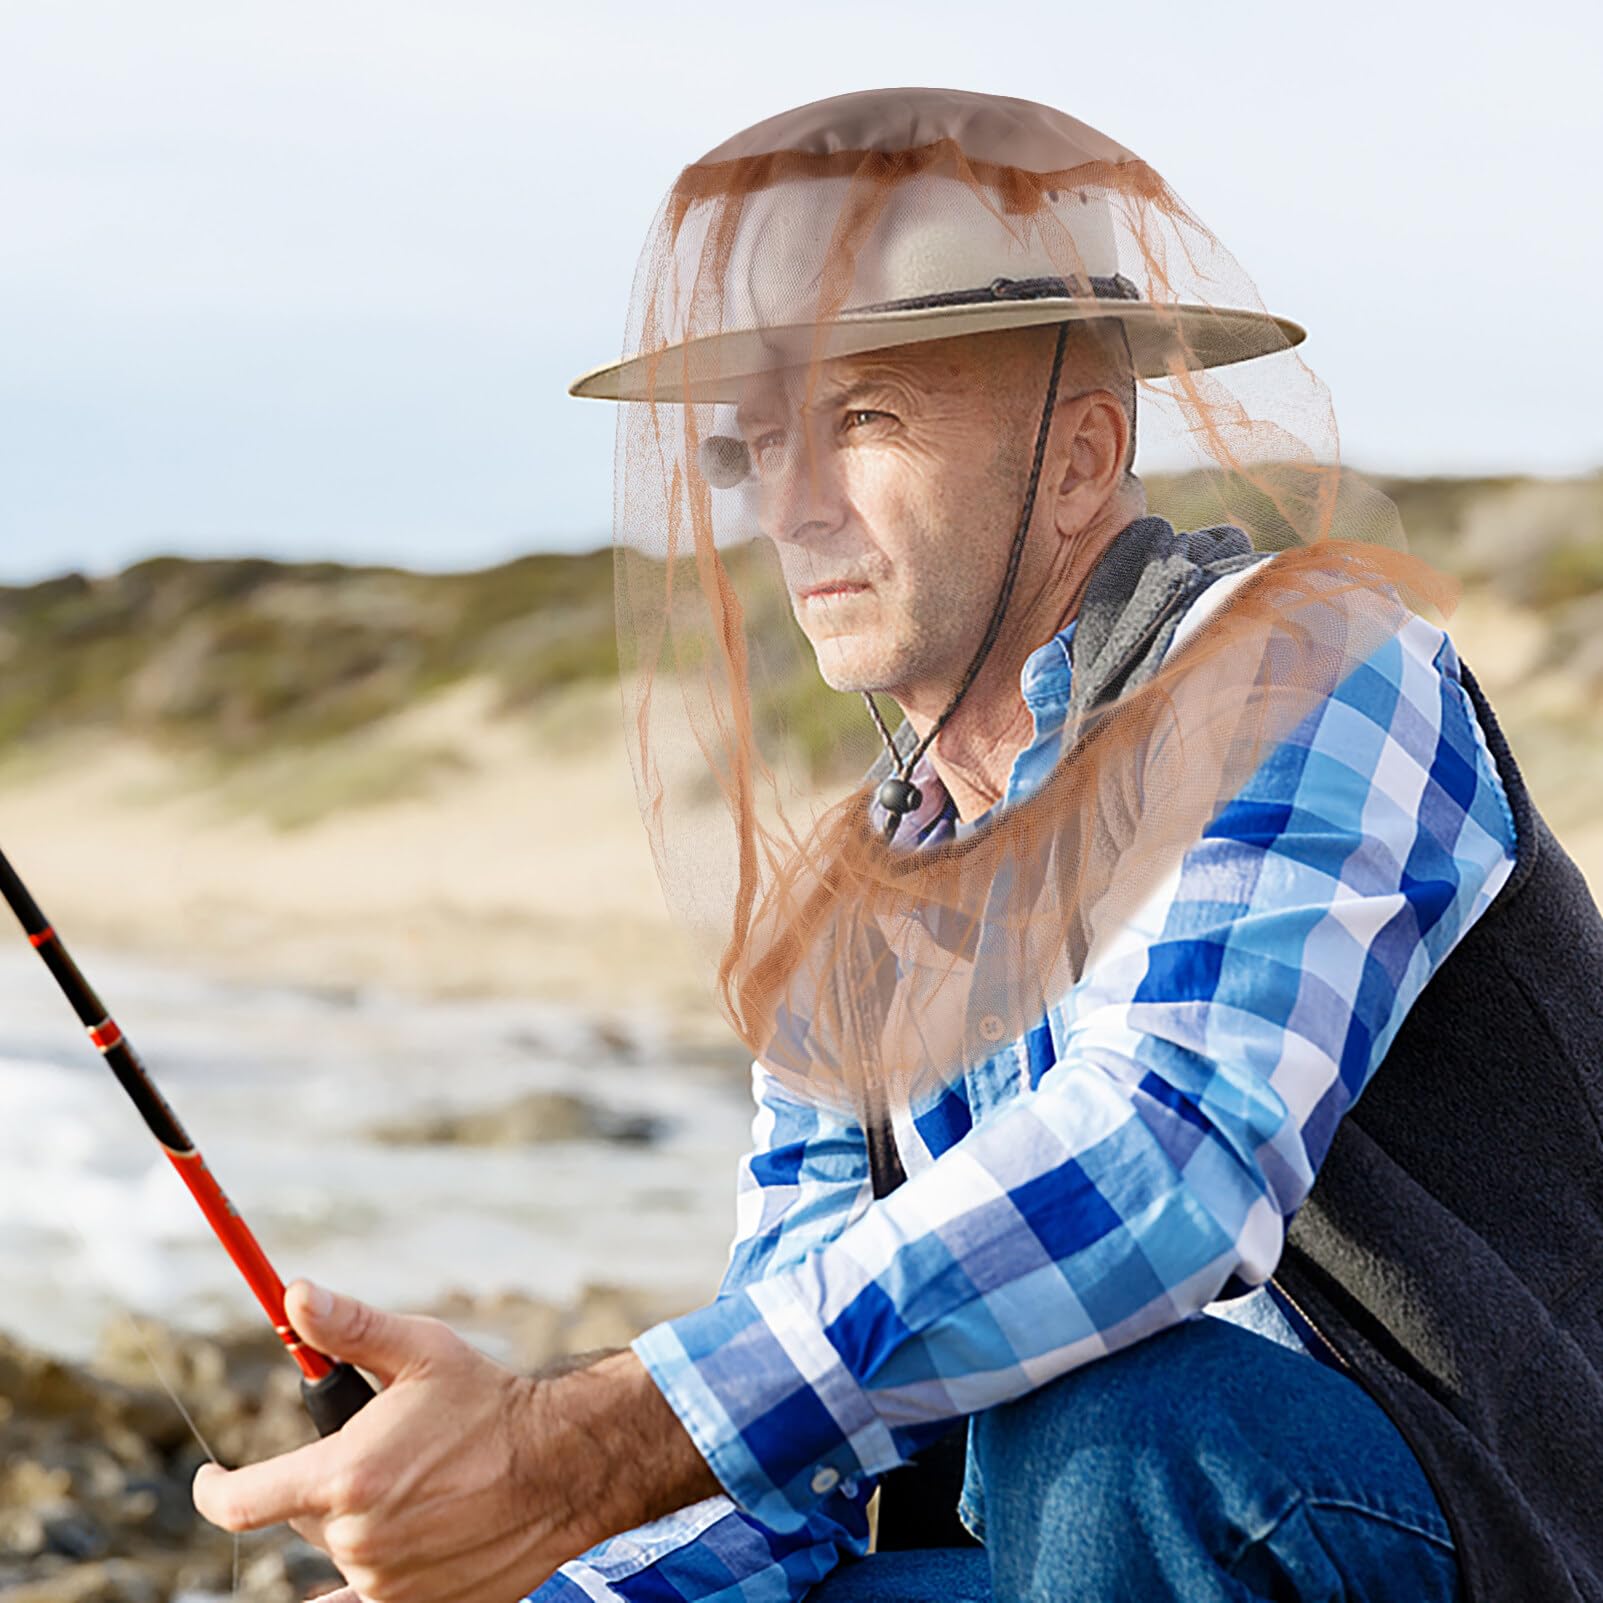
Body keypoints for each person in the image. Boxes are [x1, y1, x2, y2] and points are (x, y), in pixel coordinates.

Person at [193, 89, 1603, 1603]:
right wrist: (546, 1576)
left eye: (861, 421)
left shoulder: (1310, 667)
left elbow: (1165, 1158)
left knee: (1117, 1417)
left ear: (1081, 457)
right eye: (757, 447)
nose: (791, 508)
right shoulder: (854, 903)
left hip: (1498, 1534)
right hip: (1093, 1552)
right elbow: (788, 1449)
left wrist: (573, 1446)